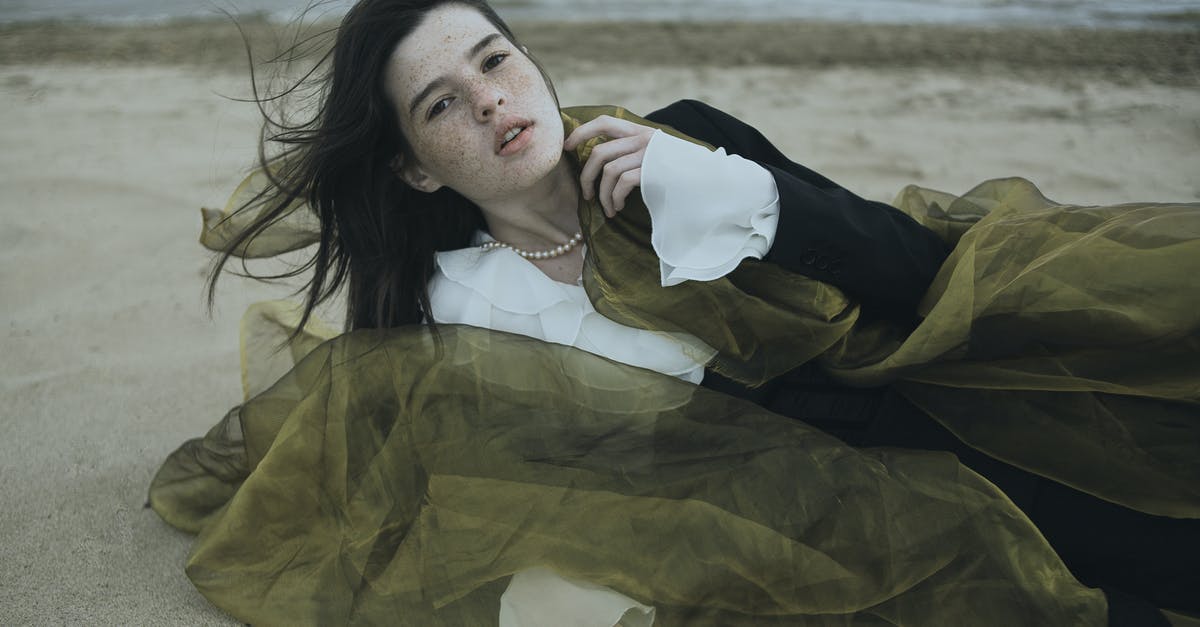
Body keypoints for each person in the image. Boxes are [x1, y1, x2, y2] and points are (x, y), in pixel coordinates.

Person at [149, 1, 1200, 625]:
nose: (490, 101)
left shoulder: (678, 143)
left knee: (1155, 551)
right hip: (760, 561)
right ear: (415, 172)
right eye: (439, 106)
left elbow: (912, 270)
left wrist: (752, 201)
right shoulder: (438, 320)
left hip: (931, 415)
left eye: (493, 58)